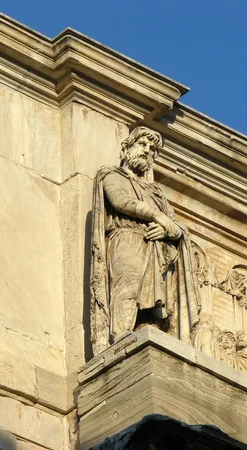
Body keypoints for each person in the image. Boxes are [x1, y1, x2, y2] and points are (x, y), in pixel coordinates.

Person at [90, 126, 200, 354]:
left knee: (154, 304)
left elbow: (176, 225)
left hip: (154, 248)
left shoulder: (156, 192)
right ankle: (121, 335)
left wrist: (167, 231)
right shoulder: (111, 175)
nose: (147, 151)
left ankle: (147, 336)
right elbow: (121, 200)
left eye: (151, 149)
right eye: (142, 144)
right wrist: (156, 215)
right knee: (127, 284)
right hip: (126, 239)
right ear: (126, 147)